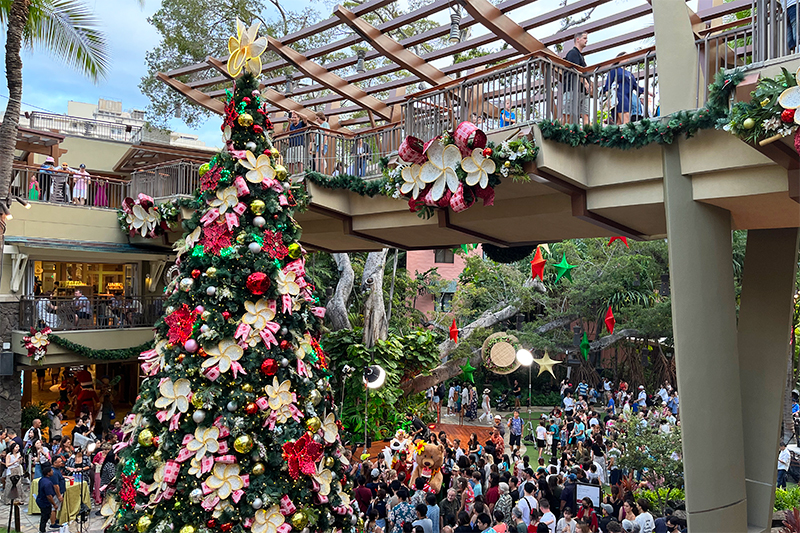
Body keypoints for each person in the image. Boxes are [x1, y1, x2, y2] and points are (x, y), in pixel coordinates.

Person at [564, 32, 591, 125]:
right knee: (568, 115)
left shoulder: (580, 56)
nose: (586, 40)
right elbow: (575, 69)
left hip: (582, 91)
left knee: (585, 115)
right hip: (572, 89)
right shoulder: (573, 53)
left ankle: (588, 135)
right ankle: (560, 133)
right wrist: (586, 83)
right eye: (584, 38)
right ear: (577, 39)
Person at [36, 466, 58, 533]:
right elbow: (49, 496)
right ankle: (42, 530)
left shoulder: (42, 479)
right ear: (48, 473)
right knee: (45, 516)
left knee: (44, 515)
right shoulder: (47, 483)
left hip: (40, 500)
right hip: (44, 502)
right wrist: (54, 504)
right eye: (51, 471)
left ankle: (42, 529)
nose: (52, 472)